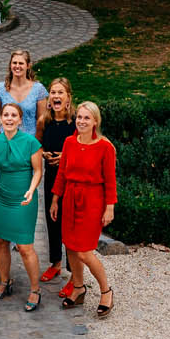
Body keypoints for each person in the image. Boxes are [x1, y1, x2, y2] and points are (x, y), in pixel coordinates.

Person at [50, 100, 115, 316]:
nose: (81, 121)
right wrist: (55, 199)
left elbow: (110, 181)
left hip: (92, 200)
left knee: (86, 252)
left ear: (95, 121)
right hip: (70, 198)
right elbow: (61, 173)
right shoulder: (69, 142)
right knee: (70, 246)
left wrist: (109, 207)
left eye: (87, 117)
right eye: (79, 116)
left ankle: (106, 291)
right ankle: (78, 287)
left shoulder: (105, 147)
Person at [0, 101, 46, 309]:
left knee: (24, 246)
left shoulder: (30, 142)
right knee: (0, 241)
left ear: (20, 120)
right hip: (3, 197)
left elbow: (38, 170)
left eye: (13, 115)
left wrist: (31, 189)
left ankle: (35, 289)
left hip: (24, 198)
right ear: (0, 118)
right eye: (6, 115)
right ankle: (4, 281)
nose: (9, 118)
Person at [34, 78, 77, 285]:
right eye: (53, 92)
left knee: (71, 220)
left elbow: (85, 148)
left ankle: (74, 268)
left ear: (68, 97)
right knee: (53, 220)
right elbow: (37, 143)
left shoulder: (76, 121)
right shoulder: (45, 120)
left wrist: (65, 158)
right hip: (52, 175)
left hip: (73, 177)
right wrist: (43, 155)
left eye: (60, 92)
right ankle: (55, 262)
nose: (56, 96)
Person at [0, 49, 49, 133]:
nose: (17, 66)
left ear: (28, 66)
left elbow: (41, 121)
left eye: (21, 63)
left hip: (30, 140)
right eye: (14, 63)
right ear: (10, 65)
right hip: (7, 139)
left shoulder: (38, 89)